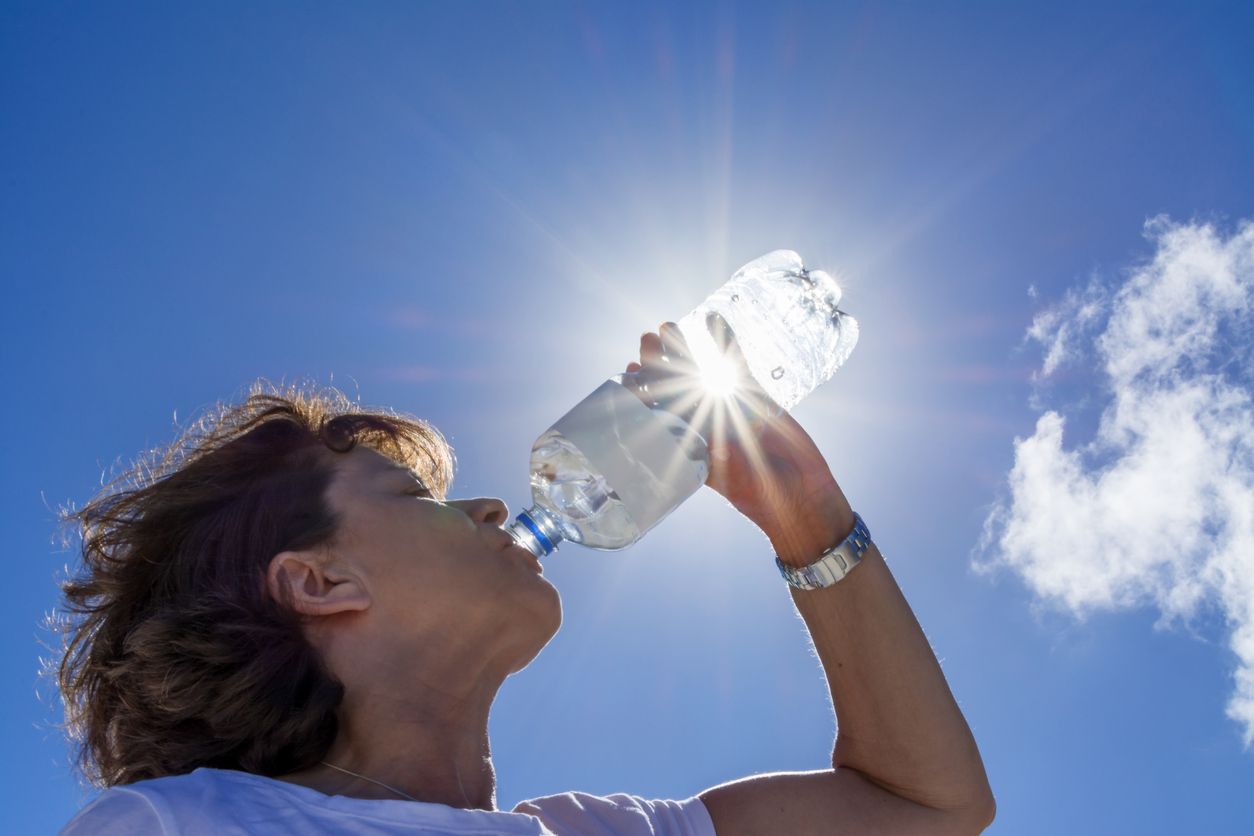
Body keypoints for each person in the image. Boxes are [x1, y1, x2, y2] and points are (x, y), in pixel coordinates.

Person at [56, 319, 994, 835]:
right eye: (410, 495)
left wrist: (807, 512)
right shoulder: (180, 828)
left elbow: (929, 804)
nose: (492, 510)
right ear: (319, 582)